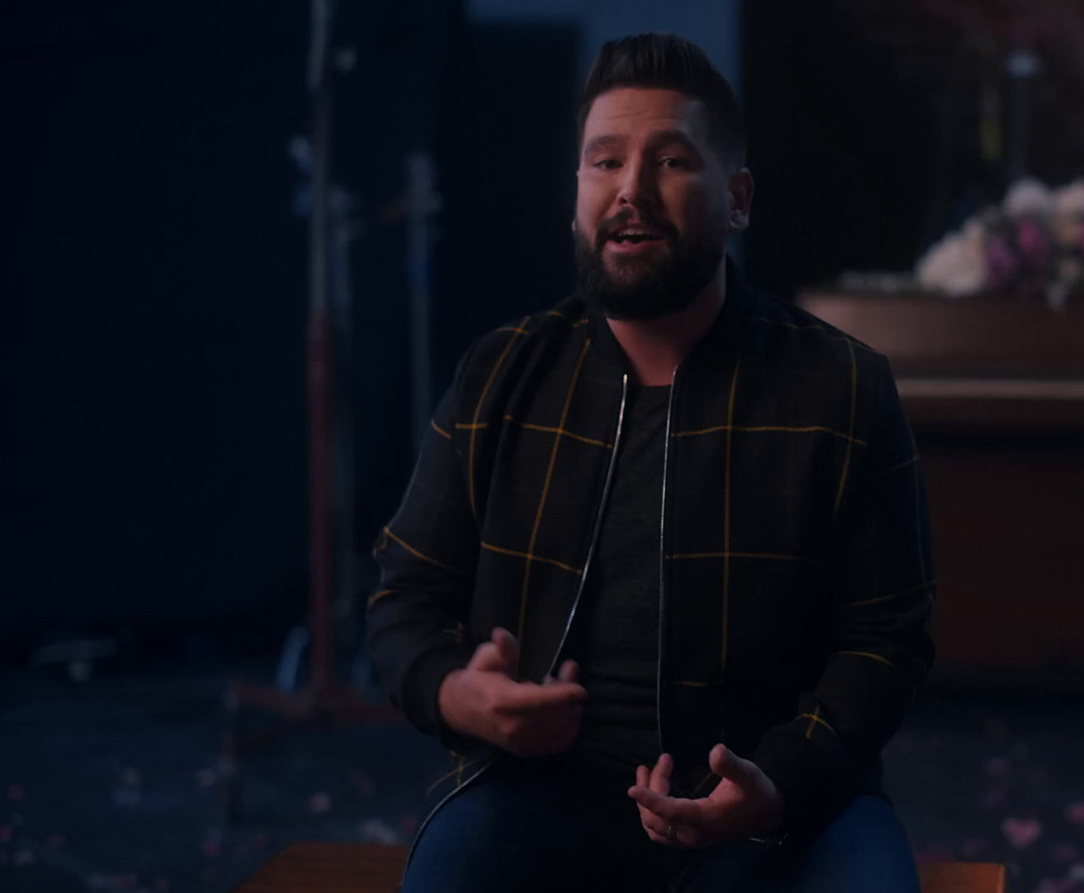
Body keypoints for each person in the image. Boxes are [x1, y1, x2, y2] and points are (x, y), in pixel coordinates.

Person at [367, 32, 935, 893]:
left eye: (670, 160)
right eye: (604, 163)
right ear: (576, 196)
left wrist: (777, 781)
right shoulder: (502, 372)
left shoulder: (843, 386)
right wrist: (459, 696)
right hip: (538, 792)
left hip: (788, 799)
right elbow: (403, 594)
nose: (630, 190)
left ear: (737, 198)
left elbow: (887, 638)